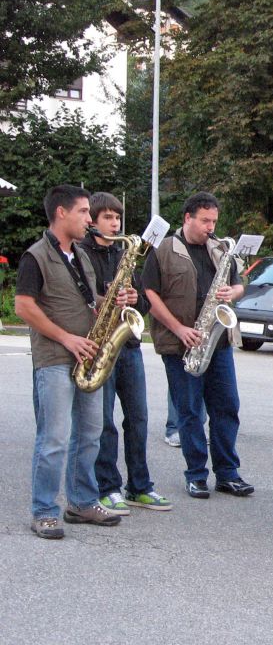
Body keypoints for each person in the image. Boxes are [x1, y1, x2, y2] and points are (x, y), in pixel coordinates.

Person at [15, 185, 122, 538]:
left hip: (88, 356)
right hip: (55, 358)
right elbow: (24, 307)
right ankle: (44, 510)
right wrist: (66, 338)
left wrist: (116, 300)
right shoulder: (36, 256)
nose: (89, 219)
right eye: (83, 212)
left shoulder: (81, 254)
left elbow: (90, 299)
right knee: (55, 438)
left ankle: (81, 501)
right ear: (61, 212)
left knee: (90, 434)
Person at [142, 192, 253, 499]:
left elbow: (240, 284)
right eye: (205, 221)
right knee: (190, 412)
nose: (210, 227)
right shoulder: (164, 249)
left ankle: (228, 473)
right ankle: (196, 474)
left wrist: (234, 292)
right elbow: (149, 294)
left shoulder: (220, 249)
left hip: (216, 342)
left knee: (227, 408)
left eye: (214, 221)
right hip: (182, 344)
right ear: (187, 218)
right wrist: (178, 329)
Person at [78, 192, 171, 515]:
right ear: (93, 221)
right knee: (104, 423)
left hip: (127, 344)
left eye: (117, 218)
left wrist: (134, 298)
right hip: (99, 345)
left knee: (139, 418)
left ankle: (140, 486)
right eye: (107, 217)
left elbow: (144, 304)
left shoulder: (123, 254)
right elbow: (79, 301)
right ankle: (108, 487)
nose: (115, 222)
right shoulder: (80, 254)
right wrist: (106, 301)